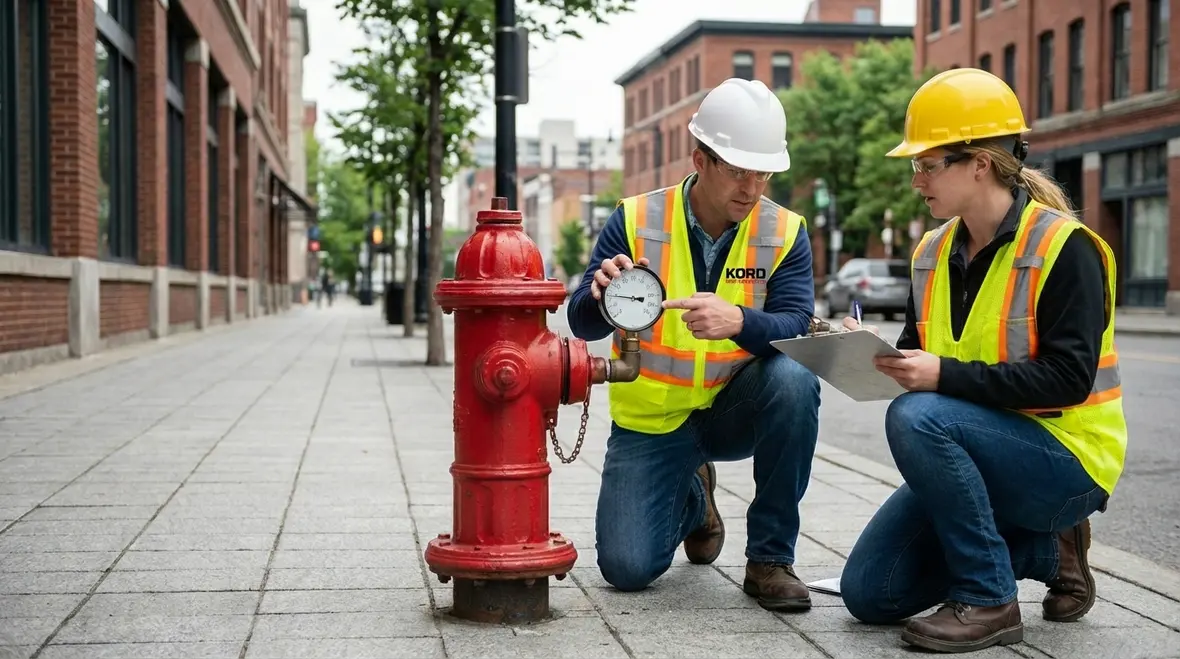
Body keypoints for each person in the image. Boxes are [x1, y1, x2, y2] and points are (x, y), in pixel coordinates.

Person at [837, 68, 1128, 653]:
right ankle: (1050, 549)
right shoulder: (931, 251)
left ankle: (990, 598)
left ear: (981, 163)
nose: (916, 178)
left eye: (928, 162)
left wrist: (938, 375)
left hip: (1066, 461)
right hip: (981, 451)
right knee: (871, 595)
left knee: (918, 416)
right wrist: (860, 352)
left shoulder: (1064, 248)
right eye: (913, 165)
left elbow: (1070, 379)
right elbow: (918, 353)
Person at [566, 78, 823, 611]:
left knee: (797, 380)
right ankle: (695, 498)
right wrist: (599, 295)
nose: (752, 188)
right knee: (627, 569)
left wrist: (740, 321)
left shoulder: (786, 230)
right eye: (736, 170)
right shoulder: (635, 219)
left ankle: (771, 560)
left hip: (735, 410)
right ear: (700, 159)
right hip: (654, 422)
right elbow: (583, 324)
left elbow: (797, 324)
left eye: (763, 173)